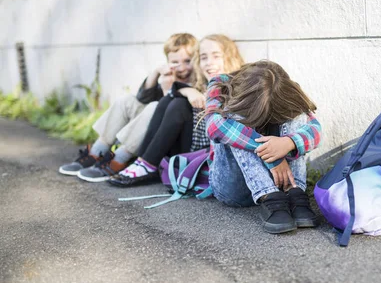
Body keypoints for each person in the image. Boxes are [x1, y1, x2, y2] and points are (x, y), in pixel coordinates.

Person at [58, 33, 198, 182]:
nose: (182, 67)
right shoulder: (169, 76)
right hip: (146, 134)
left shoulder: (197, 81)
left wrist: (168, 91)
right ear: (167, 62)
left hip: (168, 143)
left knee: (154, 107)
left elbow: (168, 116)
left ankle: (118, 160)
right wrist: (156, 73)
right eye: (175, 62)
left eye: (187, 61)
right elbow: (141, 98)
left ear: (196, 61)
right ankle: (96, 153)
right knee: (126, 101)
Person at [108, 34, 244, 186]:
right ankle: (144, 162)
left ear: (230, 57)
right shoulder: (204, 83)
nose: (209, 63)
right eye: (204, 58)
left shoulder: (237, 85)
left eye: (216, 56)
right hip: (187, 146)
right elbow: (147, 98)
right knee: (171, 100)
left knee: (178, 104)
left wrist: (184, 91)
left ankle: (146, 164)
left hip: (209, 152)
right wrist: (185, 90)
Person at [204, 60, 322, 234]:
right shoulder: (219, 84)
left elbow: (315, 130)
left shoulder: (282, 88)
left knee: (295, 111)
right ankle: (268, 196)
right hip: (232, 188)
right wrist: (274, 158)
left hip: (281, 183)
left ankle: (294, 192)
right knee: (233, 119)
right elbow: (214, 127)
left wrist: (288, 143)